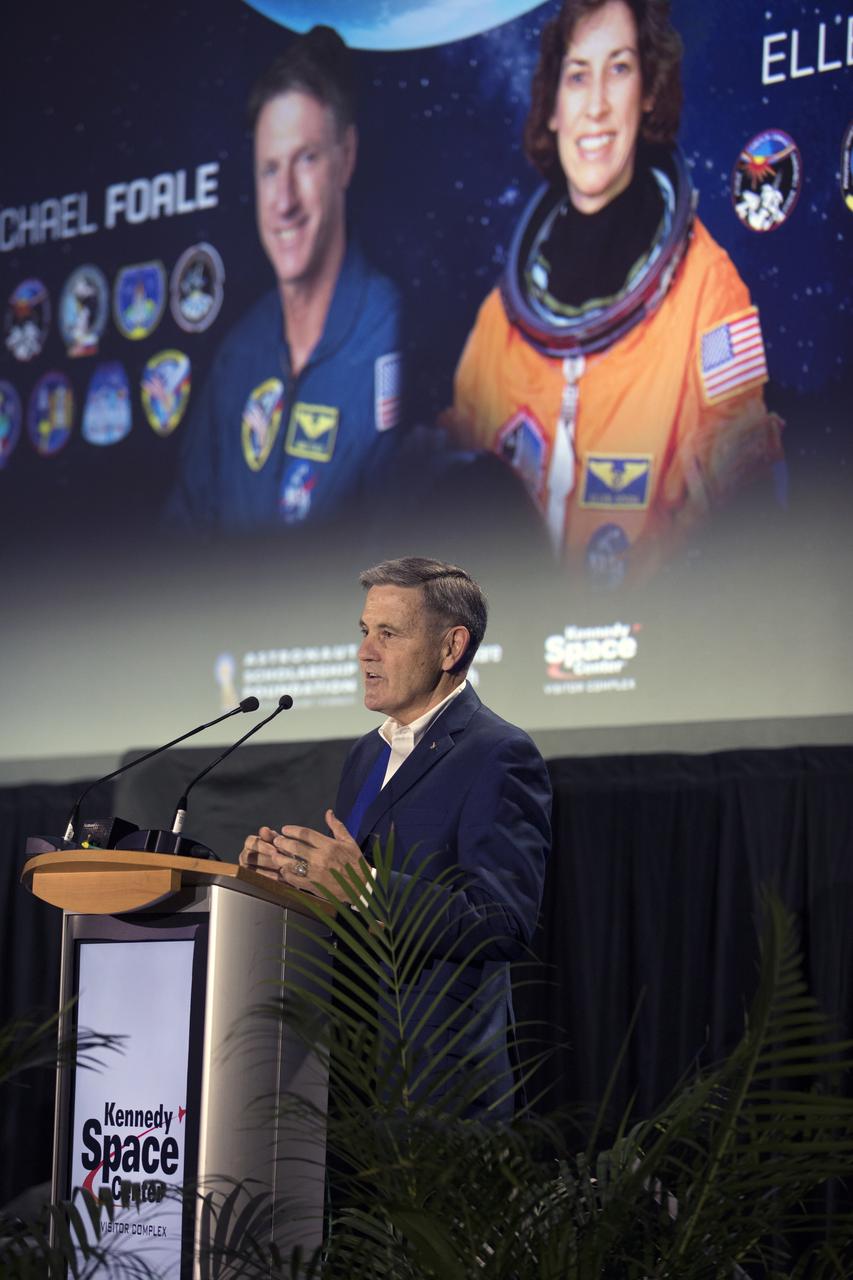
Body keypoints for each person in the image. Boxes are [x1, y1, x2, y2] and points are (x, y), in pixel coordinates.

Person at [444, 0, 783, 587]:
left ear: (649, 91)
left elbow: (744, 517)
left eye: (620, 68)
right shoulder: (502, 321)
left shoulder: (709, 290)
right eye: (577, 76)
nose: (596, 105)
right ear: (552, 105)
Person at [239, 557, 552, 1119]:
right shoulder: (366, 753)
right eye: (364, 632)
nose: (365, 651)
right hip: (352, 1072)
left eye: (388, 633)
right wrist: (291, 881)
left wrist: (363, 886)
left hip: (442, 1083)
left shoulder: (498, 753)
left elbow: (503, 923)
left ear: (450, 648)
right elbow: (352, 902)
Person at [168, 26, 404, 531]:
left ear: (347, 157)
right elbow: (179, 549)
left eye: (306, 160)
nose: (284, 202)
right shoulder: (238, 359)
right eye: (270, 170)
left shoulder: (395, 335)